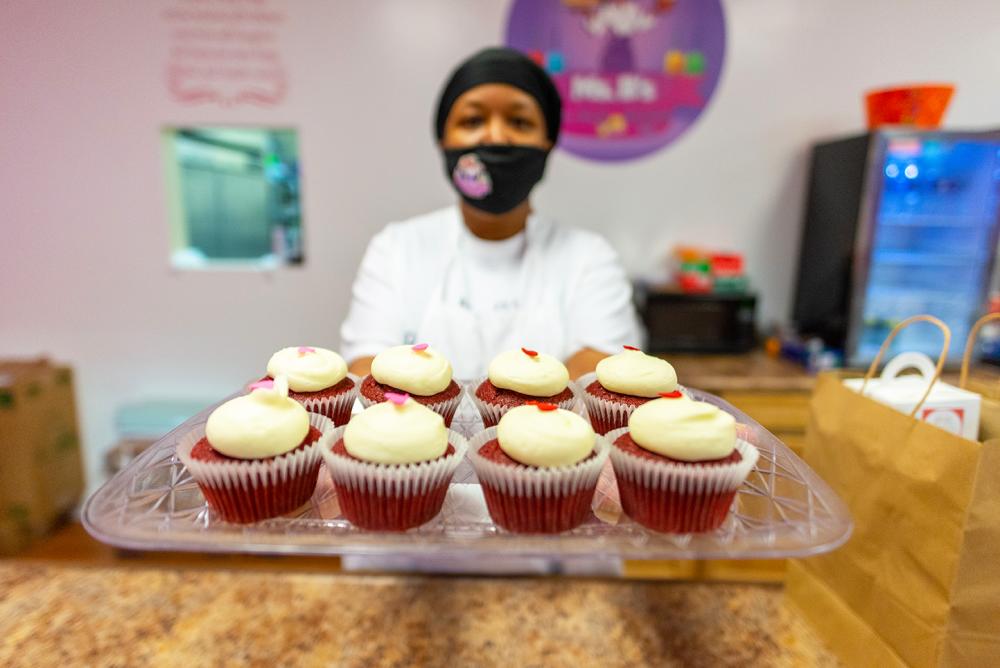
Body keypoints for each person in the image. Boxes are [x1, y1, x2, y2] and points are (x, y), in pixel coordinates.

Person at [341, 47, 641, 380]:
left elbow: (602, 371)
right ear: (443, 140)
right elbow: (366, 367)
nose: (496, 136)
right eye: (472, 120)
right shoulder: (395, 249)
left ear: (547, 144)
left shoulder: (589, 257)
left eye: (519, 121)